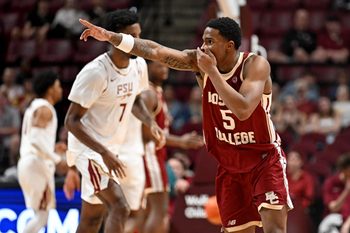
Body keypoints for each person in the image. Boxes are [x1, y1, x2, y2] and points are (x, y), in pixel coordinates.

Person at [79, 15, 293, 233]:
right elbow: (156, 51)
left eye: (210, 42)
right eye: (203, 40)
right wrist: (111, 37)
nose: (203, 47)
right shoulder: (198, 62)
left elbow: (243, 109)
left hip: (263, 160)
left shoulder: (255, 65)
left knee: (274, 229)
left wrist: (211, 72)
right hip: (230, 165)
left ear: (229, 46)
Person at [64, 9, 164, 233]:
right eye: (132, 37)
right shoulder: (95, 73)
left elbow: (136, 102)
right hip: (89, 150)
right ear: (116, 37)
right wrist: (104, 153)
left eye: (139, 36)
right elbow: (71, 121)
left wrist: (151, 122)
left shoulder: (139, 66)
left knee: (92, 218)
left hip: (109, 148)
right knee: (120, 206)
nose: (137, 42)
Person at [139, 60, 203, 233]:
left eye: (165, 65)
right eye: (159, 65)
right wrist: (180, 141)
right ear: (147, 68)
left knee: (143, 215)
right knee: (159, 213)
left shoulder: (156, 93)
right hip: (149, 157)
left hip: (154, 157)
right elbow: (146, 134)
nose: (164, 69)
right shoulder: (148, 94)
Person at [17, 70, 67, 233]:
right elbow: (35, 140)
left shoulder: (34, 106)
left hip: (27, 162)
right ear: (50, 88)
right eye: (58, 86)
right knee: (42, 216)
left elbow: (35, 139)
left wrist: (53, 148)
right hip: (35, 164)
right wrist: (57, 159)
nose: (61, 90)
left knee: (40, 215)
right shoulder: (45, 108)